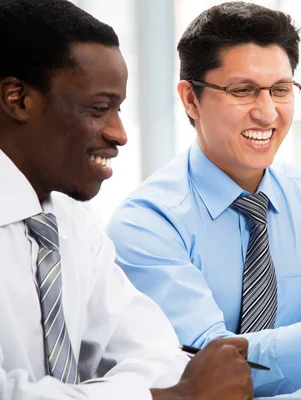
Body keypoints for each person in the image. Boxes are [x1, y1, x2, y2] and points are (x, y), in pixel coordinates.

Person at [106, 2, 301, 396]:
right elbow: (201, 368)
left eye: (281, 90)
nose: (268, 112)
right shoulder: (146, 223)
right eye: (243, 91)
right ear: (191, 100)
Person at [0, 0, 254, 399]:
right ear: (18, 99)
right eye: (99, 109)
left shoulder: (71, 224)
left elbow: (159, 355)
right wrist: (166, 398)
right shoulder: (142, 216)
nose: (119, 134)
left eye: (118, 109)